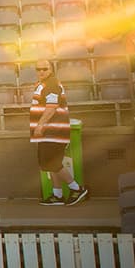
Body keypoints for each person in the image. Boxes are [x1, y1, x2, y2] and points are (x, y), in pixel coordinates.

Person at [28, 62, 87, 206]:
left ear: (51, 69)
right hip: (48, 132)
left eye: (45, 69)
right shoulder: (44, 84)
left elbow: (51, 107)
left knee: (51, 163)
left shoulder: (52, 83)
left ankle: (76, 188)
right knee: (50, 164)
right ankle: (57, 195)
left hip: (53, 131)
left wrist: (40, 125)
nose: (41, 71)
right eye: (38, 69)